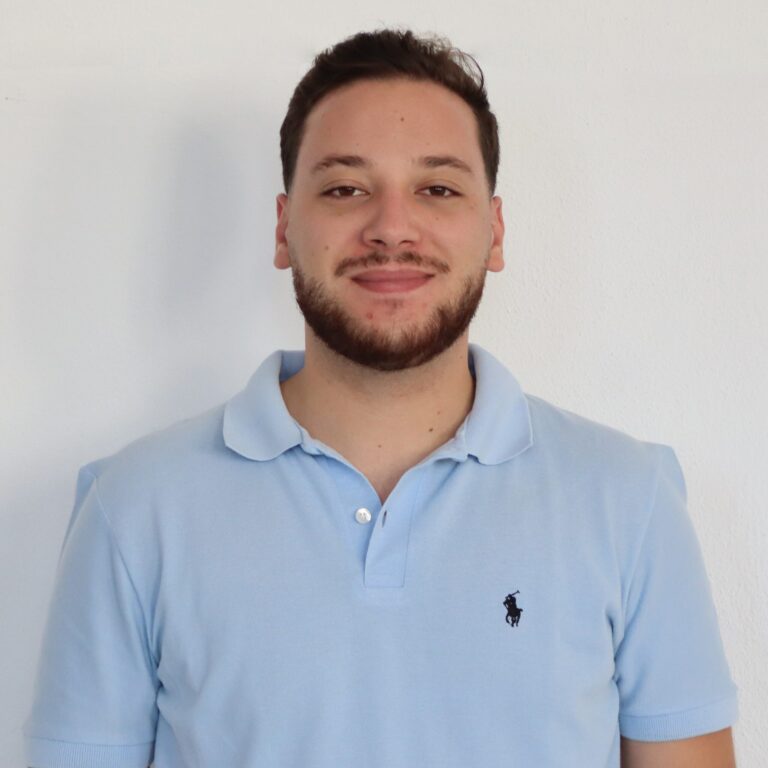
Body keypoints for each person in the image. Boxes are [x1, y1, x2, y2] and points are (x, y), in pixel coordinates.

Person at [23, 27, 739, 767]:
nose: (392, 228)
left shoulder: (630, 502)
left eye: (437, 189)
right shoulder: (133, 507)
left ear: (494, 232)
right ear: (284, 228)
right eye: (345, 189)